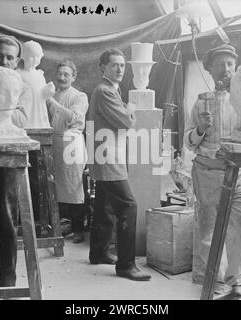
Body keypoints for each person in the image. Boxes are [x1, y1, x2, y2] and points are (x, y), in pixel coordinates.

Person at [183, 44, 241, 298]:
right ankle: (215, 281)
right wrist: (200, 129)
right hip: (207, 173)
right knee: (209, 229)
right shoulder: (202, 101)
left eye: (230, 64)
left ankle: (238, 280)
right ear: (211, 70)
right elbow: (188, 143)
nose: (226, 69)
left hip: (239, 174)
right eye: (220, 65)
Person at [87, 48, 151, 281]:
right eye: (114, 65)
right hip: (108, 157)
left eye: (122, 65)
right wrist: (131, 109)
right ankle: (126, 265)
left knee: (104, 205)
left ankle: (98, 252)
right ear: (103, 67)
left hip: (103, 154)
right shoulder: (105, 91)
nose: (119, 69)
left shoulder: (109, 89)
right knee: (128, 206)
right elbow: (125, 123)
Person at [0, 35, 30, 287]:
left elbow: (23, 121)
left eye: (10, 57)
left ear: (17, 61)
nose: (4, 60)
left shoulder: (21, 85)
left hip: (11, 153)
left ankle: (8, 275)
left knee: (8, 215)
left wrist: (8, 110)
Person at [46, 59, 89, 244]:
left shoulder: (80, 96)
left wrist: (51, 101)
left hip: (71, 144)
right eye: (60, 74)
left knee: (74, 186)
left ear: (73, 77)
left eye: (66, 74)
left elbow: (72, 117)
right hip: (54, 143)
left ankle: (79, 228)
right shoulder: (53, 95)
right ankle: (62, 226)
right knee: (57, 185)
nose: (62, 77)